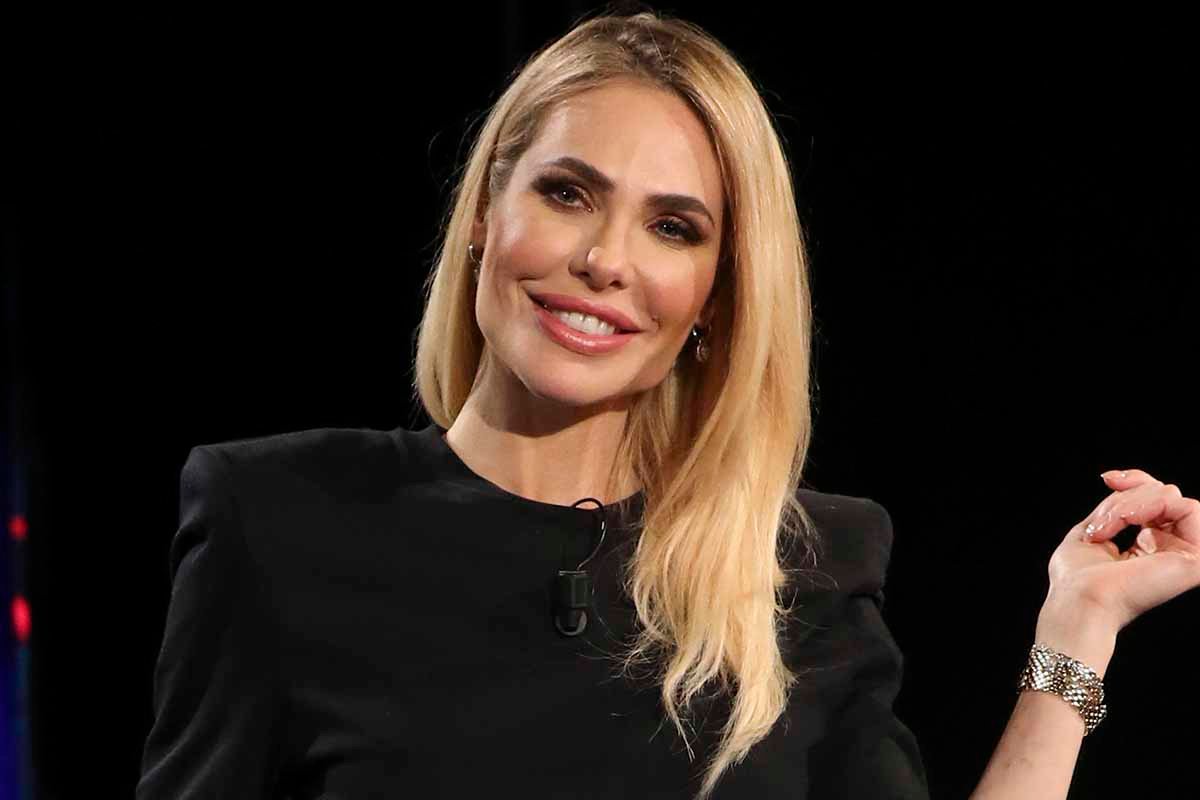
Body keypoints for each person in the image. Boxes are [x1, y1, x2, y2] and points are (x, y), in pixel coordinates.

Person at [135, 9, 1200, 800]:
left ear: (715, 297)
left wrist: (1078, 629)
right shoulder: (273, 515)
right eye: (568, 193)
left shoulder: (807, 567)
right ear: (485, 209)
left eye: (673, 228)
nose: (605, 261)